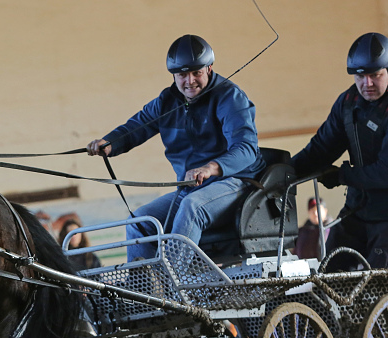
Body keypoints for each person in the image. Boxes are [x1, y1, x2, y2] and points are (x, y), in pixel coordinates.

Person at [86, 34, 265, 260]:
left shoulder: (230, 97)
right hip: (192, 186)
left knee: (192, 206)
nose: (189, 81)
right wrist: (109, 143)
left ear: (209, 68)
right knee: (139, 222)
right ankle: (139, 292)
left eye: (196, 73)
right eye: (182, 75)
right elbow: (136, 126)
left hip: (235, 182)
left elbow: (247, 148)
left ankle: (174, 287)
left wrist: (211, 168)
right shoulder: (167, 101)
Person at [289, 32, 388, 271]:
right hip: (361, 208)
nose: (367, 84)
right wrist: (284, 173)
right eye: (360, 76)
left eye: (375, 75)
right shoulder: (348, 103)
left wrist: (340, 176)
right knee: (328, 276)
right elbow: (320, 150)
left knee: (378, 286)